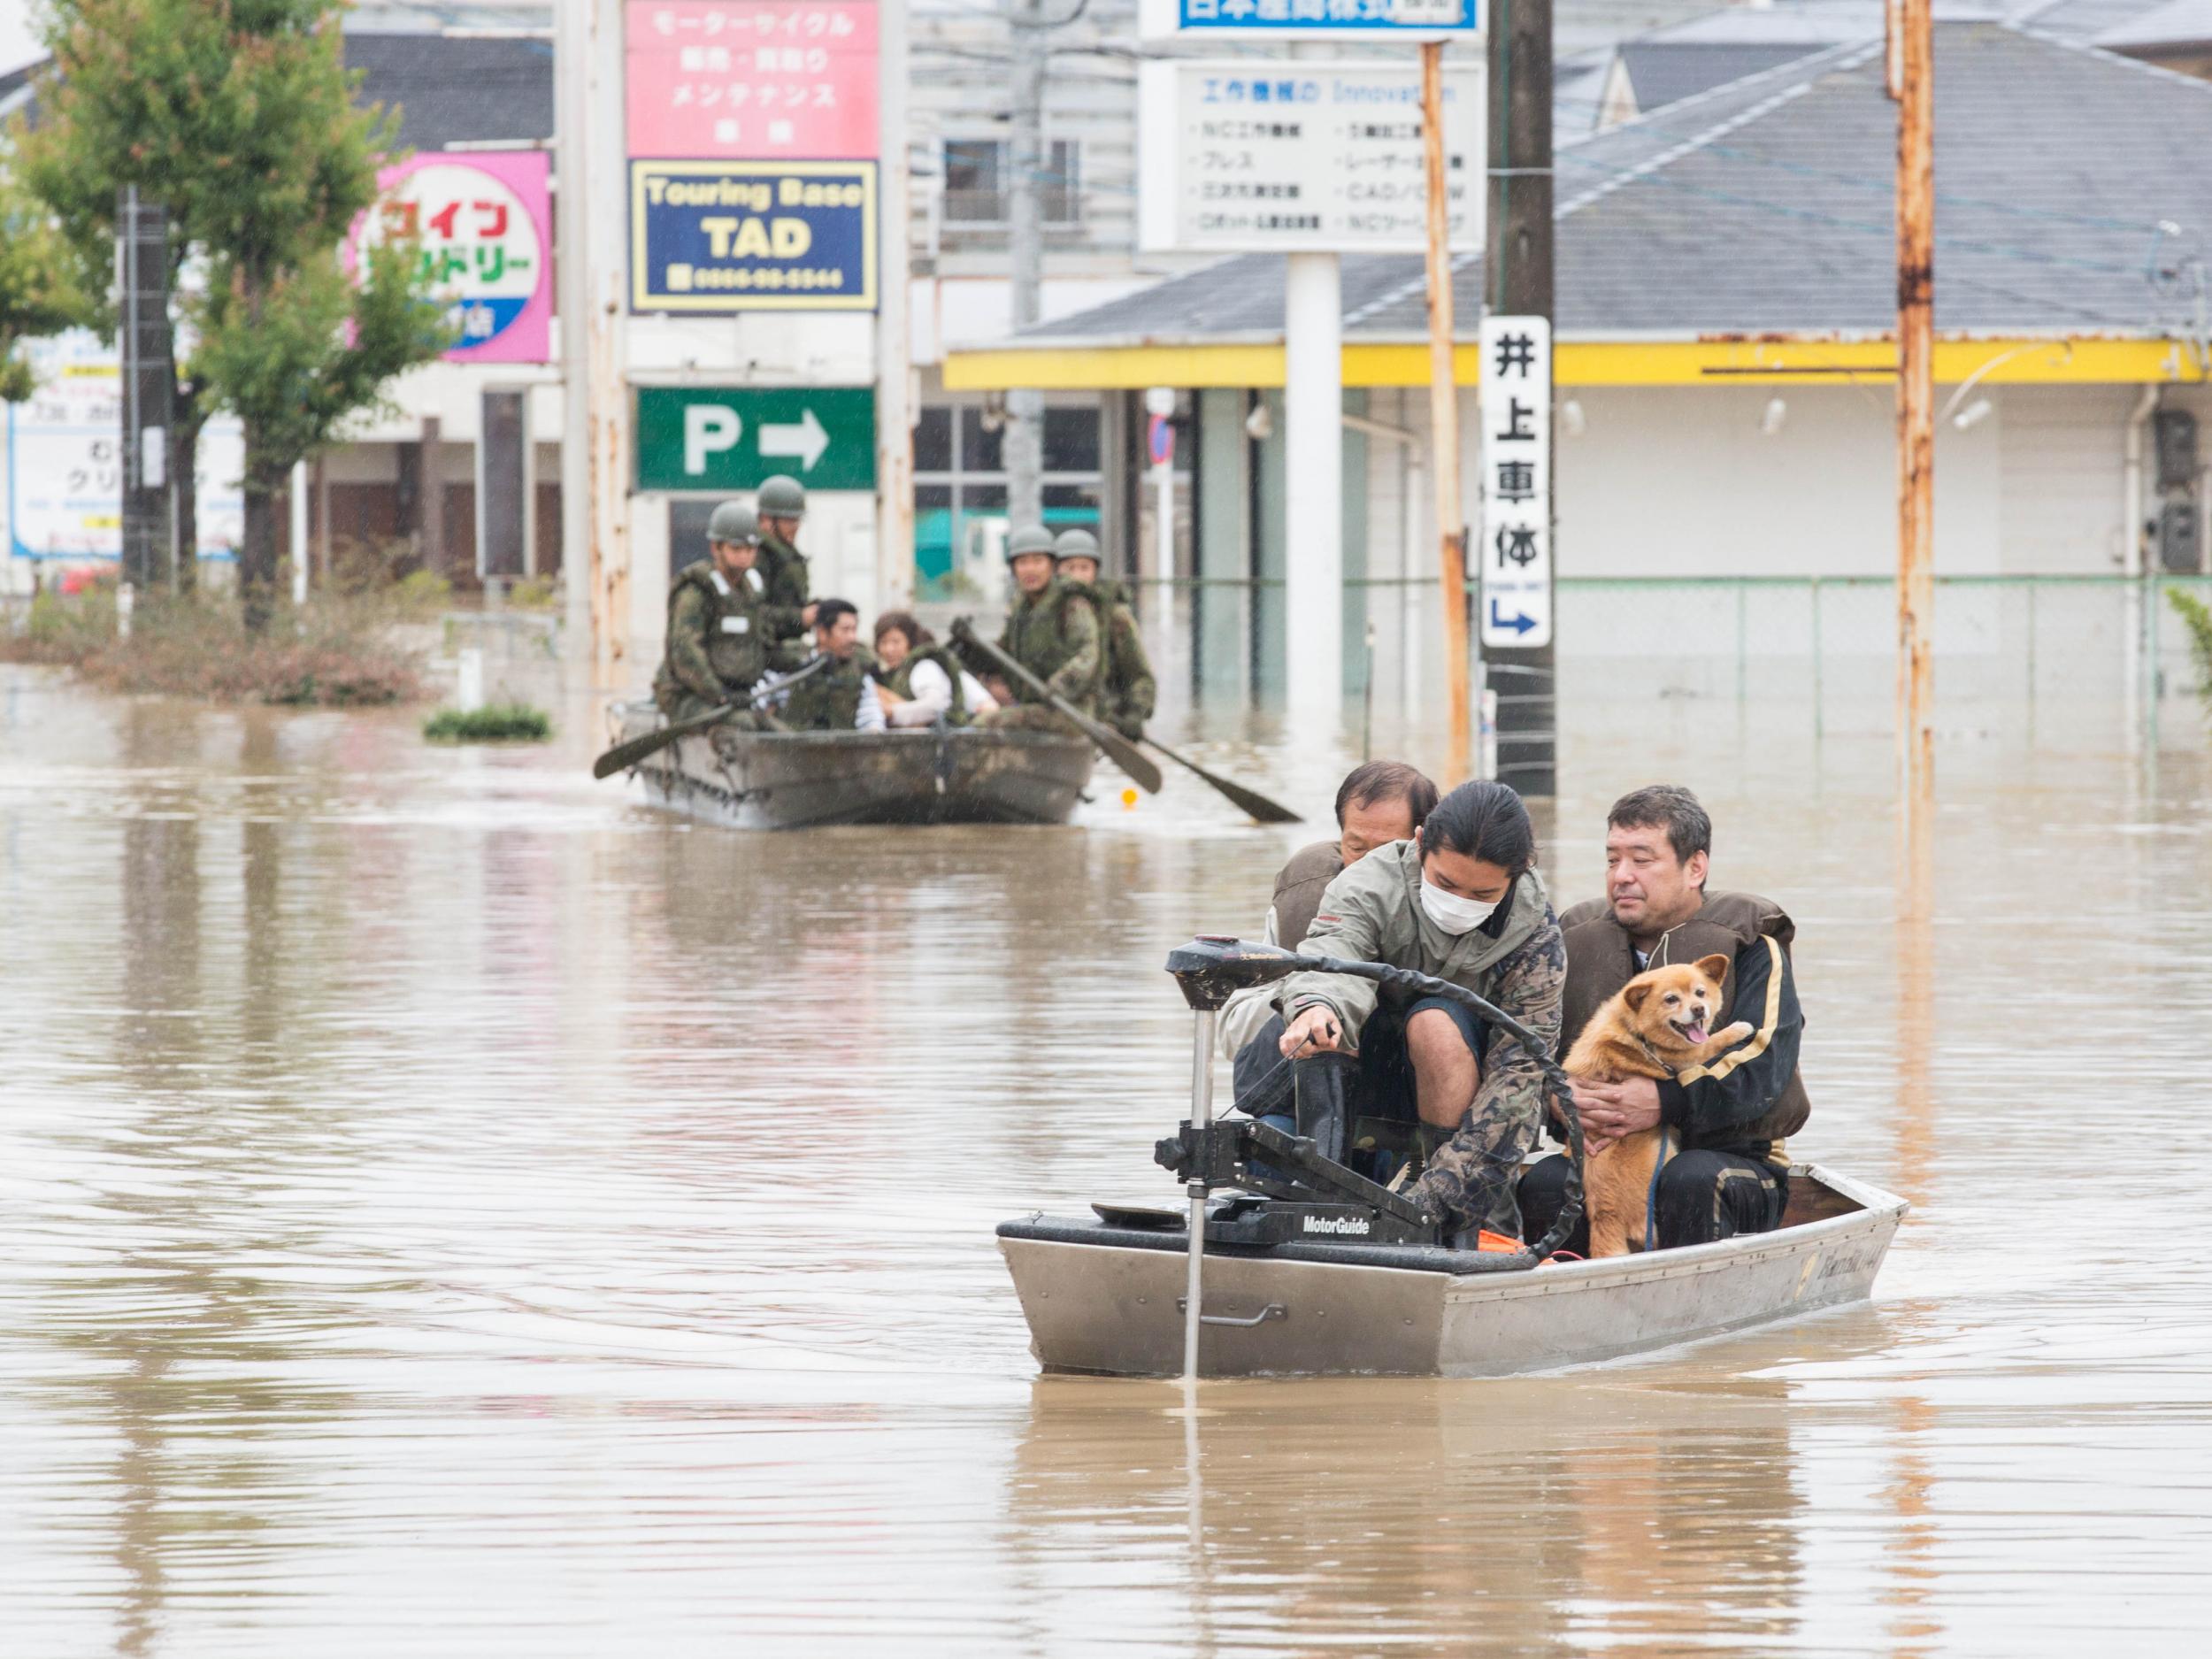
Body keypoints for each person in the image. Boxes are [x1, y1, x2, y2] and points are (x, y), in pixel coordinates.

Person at [1266, 780, 1566, 1245]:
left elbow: (1518, 1078)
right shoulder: (1369, 884)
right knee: (1324, 1027)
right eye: (1445, 883)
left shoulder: (1537, 939)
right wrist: (1316, 1006)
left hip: (1465, 1092)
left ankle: (1461, 1224)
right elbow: (1334, 954)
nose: (1459, 902)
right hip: (1367, 1068)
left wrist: (1428, 1201)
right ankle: (1321, 1197)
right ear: (1421, 842)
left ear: (1518, 874)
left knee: (1436, 1022)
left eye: (1482, 894)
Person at [1517, 785, 1809, 1254]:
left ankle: (1694, 1318)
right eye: (1612, 860)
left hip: (1730, 1159)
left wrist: (1665, 1101)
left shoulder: (1753, 945)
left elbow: (1764, 1068)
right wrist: (1557, 1097)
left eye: (1642, 859)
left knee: (1690, 1180)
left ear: (1695, 867)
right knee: (1548, 1182)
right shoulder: (1571, 940)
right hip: (1602, 1153)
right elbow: (1523, 1053)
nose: (1622, 876)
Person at [1218, 758, 1441, 1066]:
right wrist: (1302, 996)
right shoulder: (1306, 891)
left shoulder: (1454, 896)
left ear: (1421, 844)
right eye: (1357, 848)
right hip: (1307, 1076)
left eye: (1388, 850)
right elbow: (1234, 1036)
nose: (1369, 867)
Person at [649, 501, 797, 732]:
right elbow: (686, 653)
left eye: (750, 549)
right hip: (690, 698)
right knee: (743, 727)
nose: (745, 556)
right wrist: (720, 694)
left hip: (736, 698)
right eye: (736, 549)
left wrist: (806, 661)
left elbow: (764, 648)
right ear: (716, 549)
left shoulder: (751, 594)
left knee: (784, 736)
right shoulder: (696, 593)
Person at [972, 525, 1102, 731]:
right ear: (1014, 569)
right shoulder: (1019, 609)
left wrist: (1056, 687)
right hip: (1034, 707)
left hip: (1068, 711)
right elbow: (1004, 655)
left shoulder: (1071, 604)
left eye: (1038, 561)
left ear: (1052, 566)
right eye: (1023, 562)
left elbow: (1088, 655)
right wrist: (973, 650)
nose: (1030, 569)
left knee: (984, 724)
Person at [1052, 527, 1156, 740]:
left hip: (1104, 712)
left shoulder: (1115, 616)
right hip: (1058, 704)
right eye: (1070, 568)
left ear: (1095, 571)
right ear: (1057, 571)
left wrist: (1135, 714)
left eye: (1084, 568)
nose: (1077, 576)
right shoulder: (1047, 611)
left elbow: (1139, 673)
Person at [872, 611, 999, 727]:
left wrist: (890, 711)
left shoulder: (923, 668)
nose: (889, 649)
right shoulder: (893, 676)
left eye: (896, 642)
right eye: (883, 642)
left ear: (910, 642)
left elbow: (935, 706)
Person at [780, 597, 885, 732]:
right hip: (791, 749)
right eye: (845, 630)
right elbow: (765, 706)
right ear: (822, 633)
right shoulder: (793, 664)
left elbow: (871, 718)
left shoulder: (859, 671)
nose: (852, 637)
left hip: (842, 749)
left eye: (854, 630)